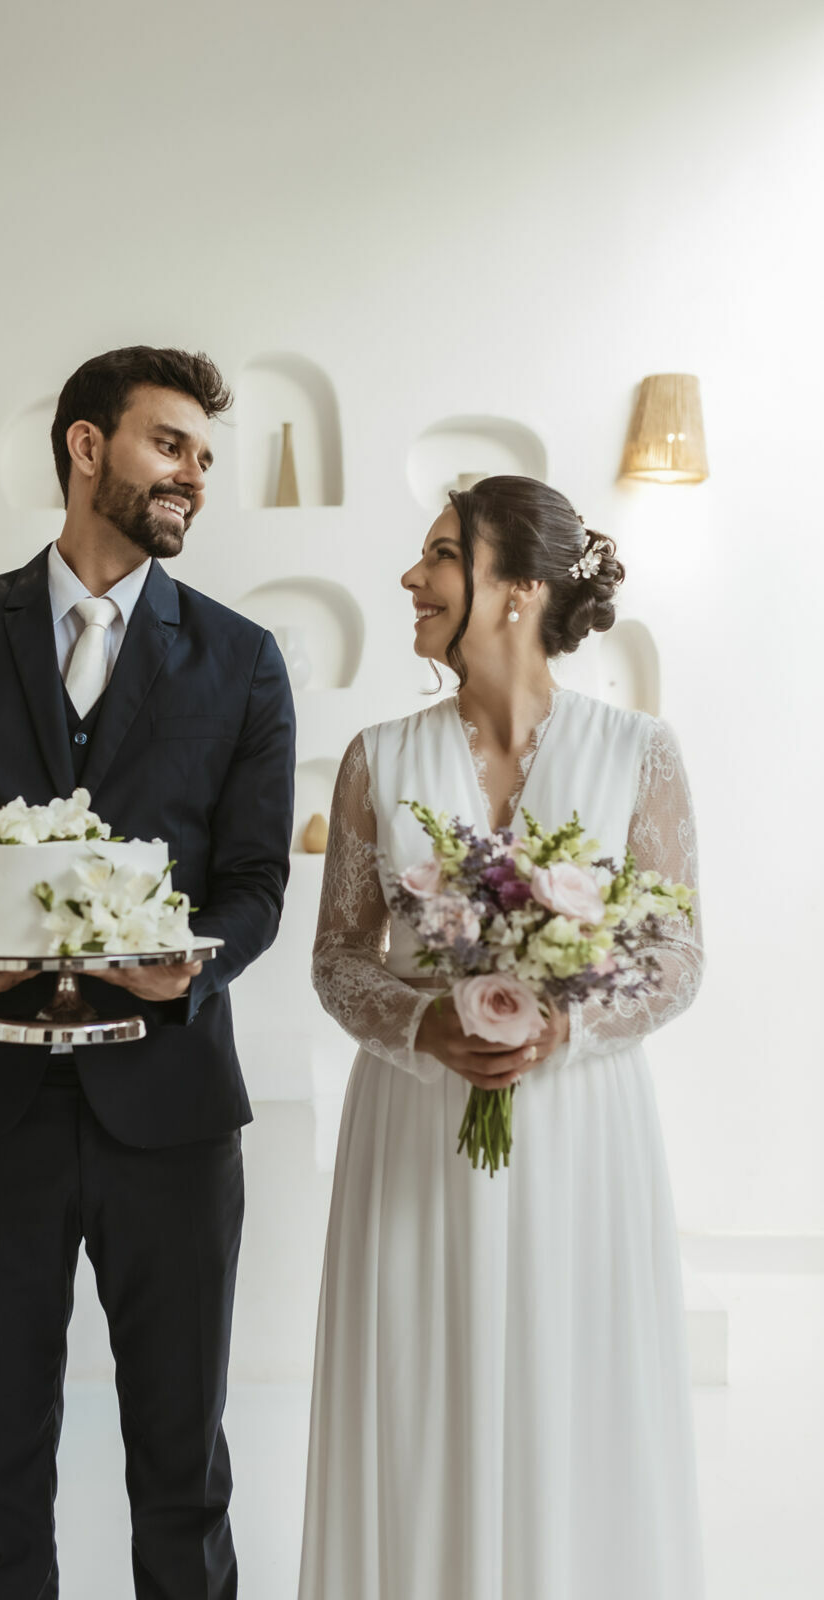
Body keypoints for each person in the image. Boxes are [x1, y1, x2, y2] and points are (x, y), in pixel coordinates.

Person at [0, 346, 296, 1600]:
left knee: (182, 1468)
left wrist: (196, 970)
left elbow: (256, 884)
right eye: (172, 445)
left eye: (206, 458)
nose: (193, 477)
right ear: (85, 447)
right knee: (1, 1471)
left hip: (169, 1113)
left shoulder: (245, 658)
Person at [298, 476, 704, 1600]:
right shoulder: (377, 758)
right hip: (418, 1126)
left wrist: (568, 1023)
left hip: (581, 1129)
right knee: (424, 1393)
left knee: (575, 1386)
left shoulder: (640, 752)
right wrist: (427, 1022)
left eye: (439, 555)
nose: (411, 578)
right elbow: (337, 956)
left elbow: (676, 956)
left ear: (518, 588)